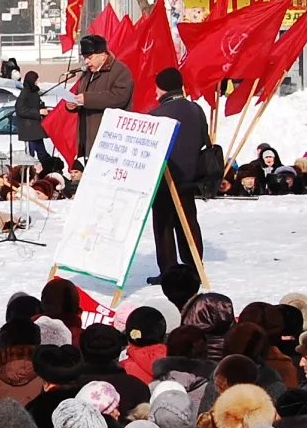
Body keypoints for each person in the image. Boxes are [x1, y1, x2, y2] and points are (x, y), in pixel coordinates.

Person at [148, 68, 208, 284]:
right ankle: (194, 267)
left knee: (163, 224)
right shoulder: (196, 109)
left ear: (163, 87)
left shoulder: (156, 115)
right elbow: (204, 137)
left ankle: (168, 271)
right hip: (190, 176)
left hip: (164, 178)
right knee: (189, 222)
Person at [70, 35, 134, 160]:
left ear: (103, 55)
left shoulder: (120, 71)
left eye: (90, 57)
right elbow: (81, 95)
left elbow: (119, 98)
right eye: (84, 58)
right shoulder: (87, 74)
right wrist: (74, 103)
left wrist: (87, 99)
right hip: (88, 137)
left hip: (110, 141)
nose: (86, 62)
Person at [15, 70, 48, 167]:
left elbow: (35, 105)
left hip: (36, 130)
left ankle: (45, 169)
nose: (37, 83)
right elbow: (21, 109)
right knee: (30, 156)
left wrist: (42, 108)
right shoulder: (25, 92)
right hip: (29, 131)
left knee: (42, 153)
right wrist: (38, 112)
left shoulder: (34, 92)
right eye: (35, 81)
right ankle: (30, 173)